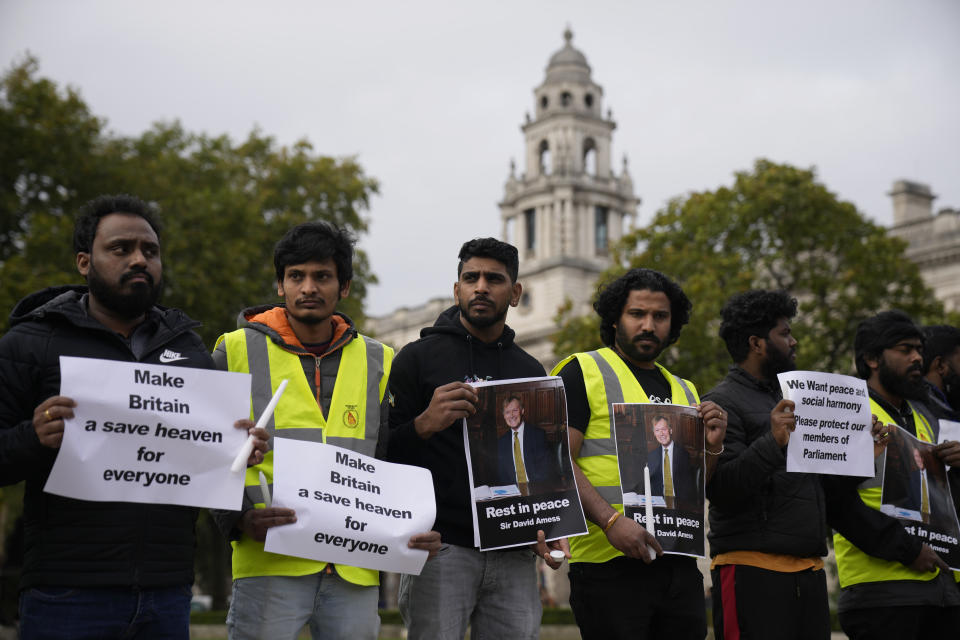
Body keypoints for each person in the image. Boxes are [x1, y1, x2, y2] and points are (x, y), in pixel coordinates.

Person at [0, 194, 267, 639]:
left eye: (150, 251)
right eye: (121, 249)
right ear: (85, 262)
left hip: (166, 593)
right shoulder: (31, 344)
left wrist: (234, 454)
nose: (140, 259)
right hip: (66, 593)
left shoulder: (189, 350)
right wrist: (34, 436)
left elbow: (196, 464)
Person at [211, 222, 440, 640]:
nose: (308, 287)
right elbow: (205, 456)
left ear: (344, 287)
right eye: (296, 276)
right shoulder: (234, 349)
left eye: (322, 276)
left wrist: (412, 523)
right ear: (280, 285)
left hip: (354, 570)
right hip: (268, 562)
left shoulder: (380, 359)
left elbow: (389, 460)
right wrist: (240, 520)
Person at [705, 290, 919, 640]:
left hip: (809, 572)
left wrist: (866, 457)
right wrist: (772, 441)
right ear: (757, 343)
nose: (794, 340)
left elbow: (823, 491)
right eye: (785, 333)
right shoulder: (721, 401)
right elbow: (723, 489)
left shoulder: (799, 398)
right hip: (751, 571)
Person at [386, 238, 566, 640]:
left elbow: (542, 464)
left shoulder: (532, 369)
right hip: (441, 550)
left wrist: (550, 523)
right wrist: (424, 424)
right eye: (471, 278)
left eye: (494, 279)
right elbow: (382, 453)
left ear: (516, 293)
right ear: (457, 290)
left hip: (515, 553)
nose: (481, 287)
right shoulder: (416, 358)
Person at [551, 268, 727, 640]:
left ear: (672, 324)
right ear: (615, 319)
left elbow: (693, 486)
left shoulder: (685, 389)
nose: (648, 325)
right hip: (607, 565)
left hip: (677, 565)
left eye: (660, 316)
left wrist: (712, 446)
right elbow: (556, 459)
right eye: (637, 314)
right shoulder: (583, 370)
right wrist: (612, 523)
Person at [835, 310, 960, 638]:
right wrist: (907, 550)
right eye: (905, 350)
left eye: (919, 349)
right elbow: (837, 503)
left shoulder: (924, 418)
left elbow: (941, 502)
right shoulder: (848, 414)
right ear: (873, 359)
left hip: (938, 592)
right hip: (880, 594)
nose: (918, 357)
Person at [496, 395, 554, 486]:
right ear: (504, 415)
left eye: (515, 410)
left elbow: (545, 471)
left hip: (536, 488)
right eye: (507, 412)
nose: (511, 415)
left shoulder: (538, 435)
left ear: (522, 411)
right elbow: (503, 476)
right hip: (513, 491)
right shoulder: (502, 442)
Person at [645, 414, 696, 504]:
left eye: (664, 429)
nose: (661, 434)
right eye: (657, 430)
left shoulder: (683, 454)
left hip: (680, 502)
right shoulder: (651, 456)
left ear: (670, 430)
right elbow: (651, 487)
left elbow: (688, 488)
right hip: (659, 503)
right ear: (654, 434)